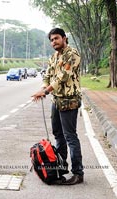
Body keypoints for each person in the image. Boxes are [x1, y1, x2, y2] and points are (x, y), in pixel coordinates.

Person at [31, 28, 84, 185]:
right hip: (56, 101)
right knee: (58, 136)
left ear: (64, 38)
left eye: (56, 38)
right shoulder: (53, 57)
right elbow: (47, 75)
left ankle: (78, 173)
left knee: (70, 137)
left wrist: (45, 91)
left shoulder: (72, 54)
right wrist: (43, 88)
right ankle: (60, 170)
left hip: (69, 100)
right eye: (52, 40)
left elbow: (63, 76)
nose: (54, 42)